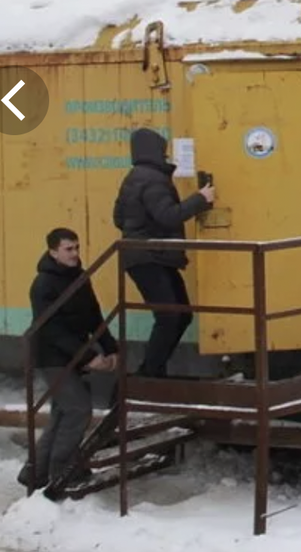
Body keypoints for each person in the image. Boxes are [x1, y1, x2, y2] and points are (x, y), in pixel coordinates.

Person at [18, 228, 118, 493]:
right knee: (77, 408)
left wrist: (110, 348)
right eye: (68, 249)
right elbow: (51, 330)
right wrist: (87, 358)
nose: (75, 253)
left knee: (63, 411)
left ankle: (35, 472)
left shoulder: (79, 277)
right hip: (51, 356)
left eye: (76, 247)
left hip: (73, 353)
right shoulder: (43, 284)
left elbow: (94, 316)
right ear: (53, 252)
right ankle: (62, 472)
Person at [112, 127, 214, 378]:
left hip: (151, 256)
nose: (166, 155)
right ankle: (150, 374)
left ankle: (152, 371)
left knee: (180, 314)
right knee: (171, 316)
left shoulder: (134, 176)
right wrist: (201, 198)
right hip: (150, 257)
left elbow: (118, 218)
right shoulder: (152, 179)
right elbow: (169, 216)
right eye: (163, 150)